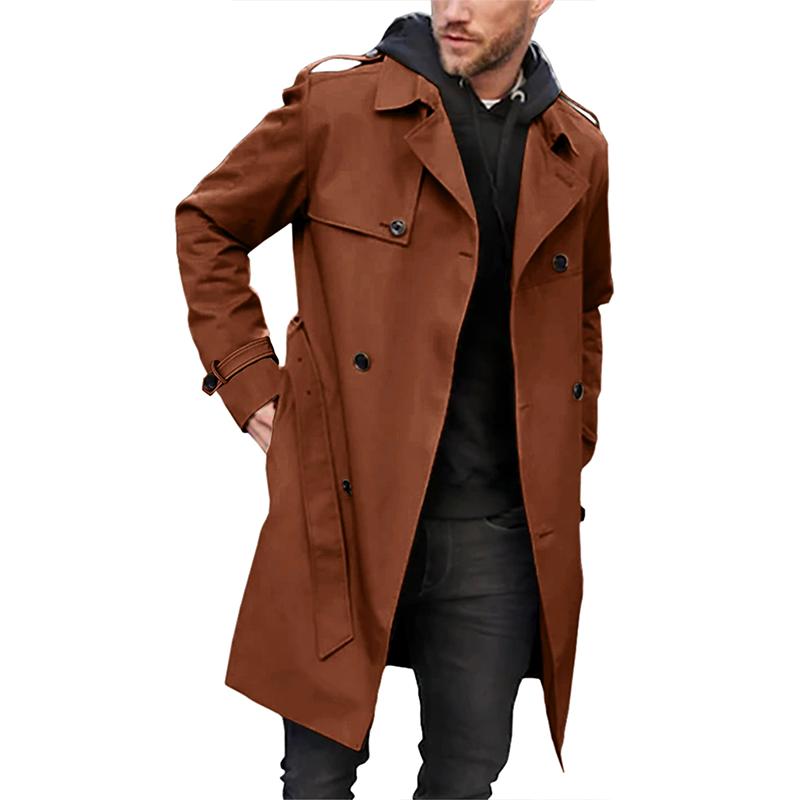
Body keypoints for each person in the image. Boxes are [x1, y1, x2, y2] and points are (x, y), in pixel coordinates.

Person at [175, 1, 612, 797]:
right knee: (317, 779)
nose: (455, 8)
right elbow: (210, 223)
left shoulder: (576, 147)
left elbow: (584, 304)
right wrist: (249, 382)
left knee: (465, 779)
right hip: (343, 516)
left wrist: (569, 441)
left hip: (496, 532)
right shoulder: (340, 107)